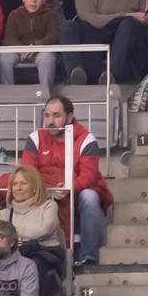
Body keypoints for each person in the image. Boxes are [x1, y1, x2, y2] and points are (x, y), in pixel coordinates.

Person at [17, 96, 114, 268]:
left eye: (56, 115)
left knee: (90, 197)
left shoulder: (86, 139)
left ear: (69, 117)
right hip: (44, 194)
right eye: (47, 115)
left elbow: (89, 177)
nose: (50, 121)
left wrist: (68, 188)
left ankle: (89, 259)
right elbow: (28, 173)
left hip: (76, 195)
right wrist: (48, 190)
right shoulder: (36, 137)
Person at [0, 165, 64, 293]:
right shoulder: (3, 214)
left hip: (43, 257)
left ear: (34, 186)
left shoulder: (48, 206)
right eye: (15, 184)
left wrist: (12, 232)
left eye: (23, 183)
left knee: (29, 266)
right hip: (13, 256)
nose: (18, 188)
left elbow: (44, 229)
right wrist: (23, 235)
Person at [0, 0, 59, 87]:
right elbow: (9, 38)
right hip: (19, 51)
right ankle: (8, 91)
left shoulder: (51, 16)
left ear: (44, 0)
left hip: (40, 51)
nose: (33, 1)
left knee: (47, 58)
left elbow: (52, 37)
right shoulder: (14, 14)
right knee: (4, 57)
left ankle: (45, 92)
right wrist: (21, 49)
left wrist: (35, 46)